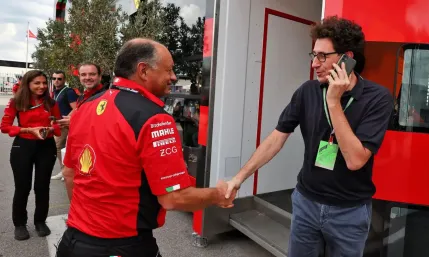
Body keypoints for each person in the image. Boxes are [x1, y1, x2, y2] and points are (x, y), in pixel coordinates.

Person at [225, 16, 394, 257]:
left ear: (348, 59)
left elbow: (355, 160)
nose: (315, 63)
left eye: (323, 56)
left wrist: (333, 101)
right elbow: (276, 137)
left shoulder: (377, 98)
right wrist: (239, 178)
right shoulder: (307, 91)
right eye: (313, 55)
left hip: (349, 212)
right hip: (306, 204)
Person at [56, 38, 236, 257]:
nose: (173, 77)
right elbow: (173, 197)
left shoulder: (86, 108)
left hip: (73, 241)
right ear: (143, 70)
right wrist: (218, 195)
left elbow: (69, 173)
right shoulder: (154, 118)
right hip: (121, 246)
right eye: (168, 70)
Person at [0, 70, 62, 241]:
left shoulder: (51, 103)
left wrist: (50, 129)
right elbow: (5, 126)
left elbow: (58, 126)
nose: (41, 86)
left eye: (44, 83)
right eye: (37, 83)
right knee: (22, 187)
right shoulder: (16, 102)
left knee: (42, 187)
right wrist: (27, 130)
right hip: (23, 146)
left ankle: (40, 221)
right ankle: (19, 224)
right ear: (28, 84)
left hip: (46, 147)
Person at [56, 62, 105, 129]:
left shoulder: (107, 97)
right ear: (79, 77)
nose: (87, 77)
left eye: (92, 74)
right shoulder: (81, 97)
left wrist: (75, 122)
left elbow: (104, 124)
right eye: (83, 75)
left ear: (100, 77)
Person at [50, 70, 78, 180]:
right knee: (61, 148)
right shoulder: (55, 91)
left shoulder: (68, 91)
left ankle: (65, 171)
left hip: (65, 125)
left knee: (58, 147)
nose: (56, 81)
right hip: (57, 124)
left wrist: (64, 119)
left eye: (59, 79)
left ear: (64, 80)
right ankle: (65, 170)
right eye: (54, 78)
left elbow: (76, 108)